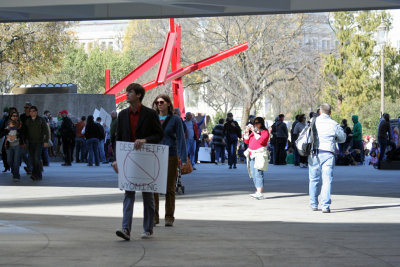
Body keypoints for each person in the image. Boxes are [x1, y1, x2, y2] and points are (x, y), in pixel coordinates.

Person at [113, 83, 163, 240]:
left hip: (146, 158)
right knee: (128, 194)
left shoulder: (150, 114)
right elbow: (118, 138)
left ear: (139, 95)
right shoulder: (122, 115)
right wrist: (116, 159)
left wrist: (145, 140)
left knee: (147, 195)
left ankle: (148, 229)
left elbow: (159, 135)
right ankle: (125, 229)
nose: (127, 94)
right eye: (127, 92)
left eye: (130, 92)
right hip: (128, 158)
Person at [152, 94, 187, 227]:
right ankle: (154, 217)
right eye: (157, 102)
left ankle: (169, 217)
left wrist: (183, 159)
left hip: (170, 155)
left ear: (168, 104)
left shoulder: (175, 120)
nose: (159, 104)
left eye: (161, 102)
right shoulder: (152, 118)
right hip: (154, 155)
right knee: (153, 187)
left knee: (169, 188)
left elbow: (181, 139)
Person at [308, 104, 346, 213]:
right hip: (328, 153)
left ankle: (313, 204)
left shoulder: (312, 121)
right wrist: (334, 140)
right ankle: (325, 206)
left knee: (314, 179)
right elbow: (343, 138)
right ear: (330, 112)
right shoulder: (334, 124)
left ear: (320, 111)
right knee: (327, 180)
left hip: (313, 152)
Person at [243, 117, 270, 199]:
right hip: (251, 154)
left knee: (258, 173)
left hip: (260, 154)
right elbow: (247, 141)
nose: (255, 124)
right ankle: (257, 191)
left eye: (257, 123)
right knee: (253, 173)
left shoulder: (265, 132)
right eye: (254, 123)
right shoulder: (253, 133)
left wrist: (254, 132)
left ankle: (259, 192)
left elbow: (262, 141)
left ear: (261, 123)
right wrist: (247, 133)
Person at [24, 106, 49, 181]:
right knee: (32, 159)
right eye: (30, 111)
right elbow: (25, 132)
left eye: (33, 111)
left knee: (36, 158)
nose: (32, 112)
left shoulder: (41, 120)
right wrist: (25, 142)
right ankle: (38, 175)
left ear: (36, 111)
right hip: (30, 142)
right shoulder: (28, 121)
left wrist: (46, 141)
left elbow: (46, 131)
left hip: (39, 142)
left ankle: (35, 174)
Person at [4, 111, 23, 181]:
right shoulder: (8, 124)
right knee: (9, 161)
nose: (14, 117)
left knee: (16, 161)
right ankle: (14, 170)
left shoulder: (20, 124)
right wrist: (7, 135)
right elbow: (4, 132)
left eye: (16, 116)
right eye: (13, 116)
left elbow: (22, 133)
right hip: (10, 145)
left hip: (17, 145)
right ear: (11, 117)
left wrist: (16, 136)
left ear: (18, 117)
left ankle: (16, 176)